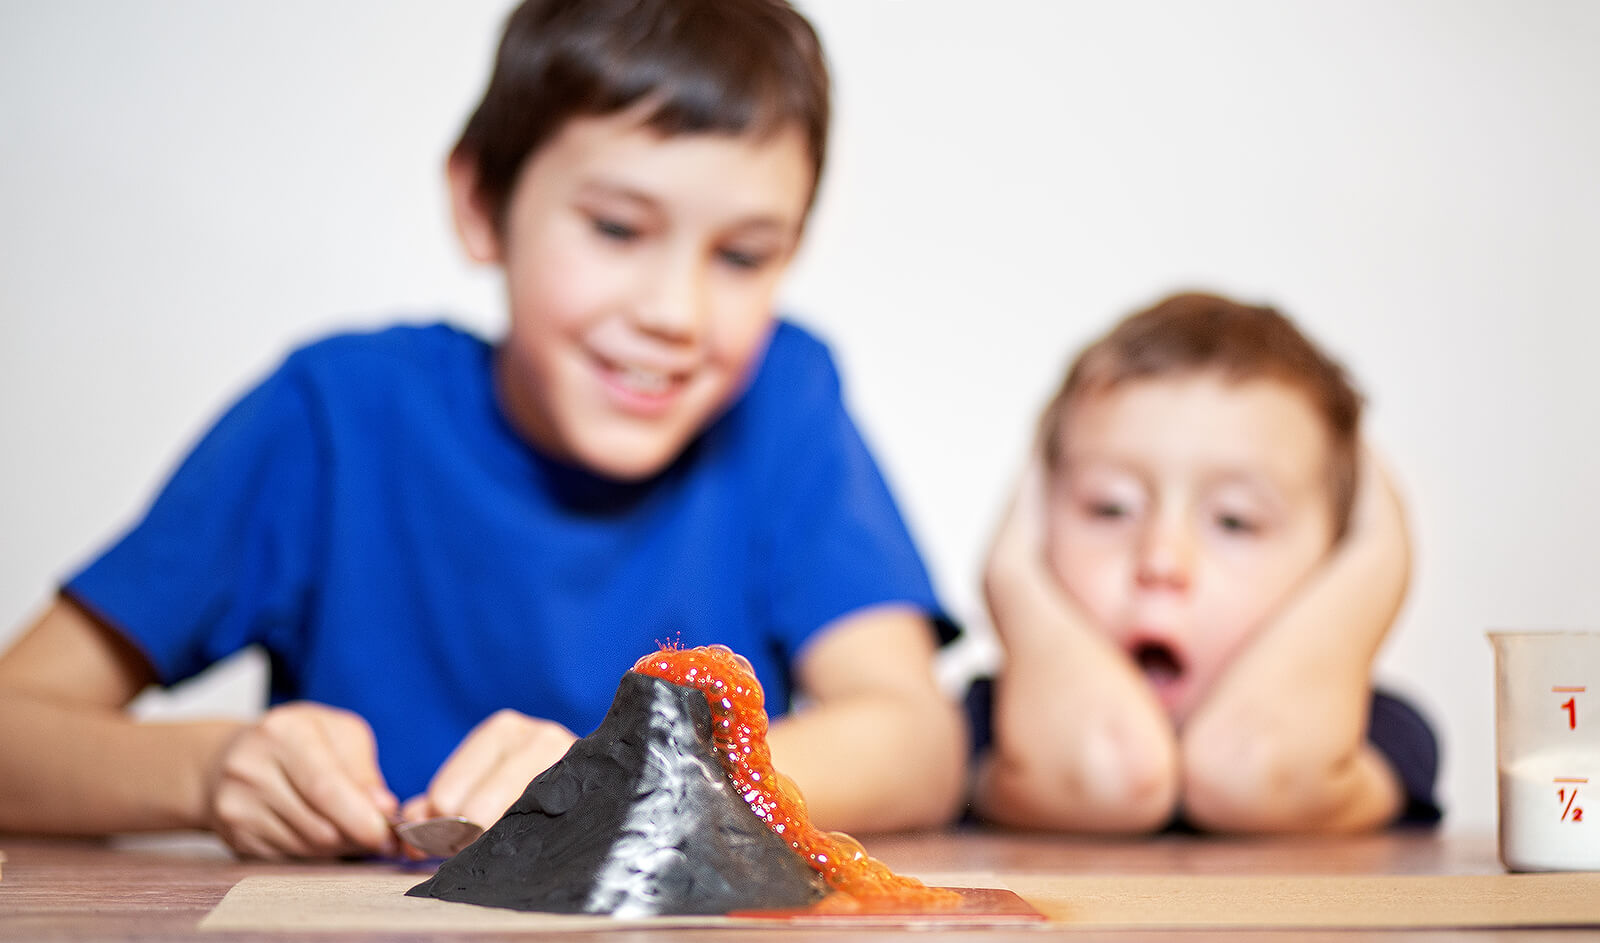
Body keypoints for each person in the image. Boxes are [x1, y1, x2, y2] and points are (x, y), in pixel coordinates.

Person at [0, 0, 967, 859]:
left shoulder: (781, 401)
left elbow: (917, 742)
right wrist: (206, 772)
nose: (677, 311)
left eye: (746, 255)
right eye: (618, 230)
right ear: (480, 204)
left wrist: (649, 773)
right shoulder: (334, 421)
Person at [970, 292, 1441, 833]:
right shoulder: (986, 723)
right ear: (1034, 519)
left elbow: (1252, 772)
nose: (1162, 560)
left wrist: (1374, 559)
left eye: (1235, 521)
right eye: (1110, 507)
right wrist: (1017, 581)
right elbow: (1109, 773)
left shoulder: (1375, 731)